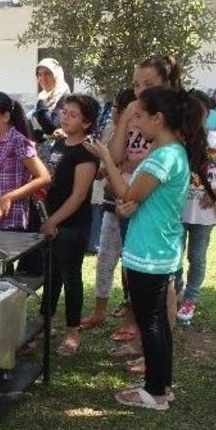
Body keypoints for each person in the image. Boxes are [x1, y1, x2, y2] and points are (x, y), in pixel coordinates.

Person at [86, 86, 209, 411]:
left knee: (151, 322)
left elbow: (126, 193)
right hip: (159, 248)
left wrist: (106, 158)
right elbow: (140, 200)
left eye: (139, 115)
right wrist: (131, 204)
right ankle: (161, 385)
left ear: (159, 118)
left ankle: (155, 393)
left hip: (150, 252)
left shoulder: (164, 155)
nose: (135, 121)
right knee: (156, 322)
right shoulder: (173, 151)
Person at [105, 55, 181, 353]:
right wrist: (125, 118)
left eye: (148, 84)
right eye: (136, 84)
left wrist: (127, 163)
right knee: (134, 272)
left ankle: (158, 347)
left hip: (154, 207)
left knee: (164, 282)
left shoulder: (173, 116)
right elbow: (113, 155)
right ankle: (142, 339)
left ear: (166, 83)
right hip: (128, 200)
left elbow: (169, 159)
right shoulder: (136, 111)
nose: (140, 91)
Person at [38, 94, 100, 356]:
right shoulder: (60, 143)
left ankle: (73, 330)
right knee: (50, 274)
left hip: (72, 225)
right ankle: (45, 324)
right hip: (50, 219)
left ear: (86, 123)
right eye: (65, 112)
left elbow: (78, 196)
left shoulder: (86, 152)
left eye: (73, 114)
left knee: (70, 276)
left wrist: (54, 220)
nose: (65, 116)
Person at [174, 89, 216, 323]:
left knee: (197, 257)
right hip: (177, 211)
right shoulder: (177, 141)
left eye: (201, 111)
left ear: (207, 113)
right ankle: (176, 291)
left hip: (205, 213)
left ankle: (190, 299)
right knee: (174, 255)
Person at [80, 89, 137, 330]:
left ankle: (132, 320)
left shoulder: (144, 133)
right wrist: (104, 169)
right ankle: (99, 311)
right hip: (110, 203)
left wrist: (116, 163)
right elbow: (111, 162)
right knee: (104, 259)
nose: (112, 111)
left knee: (132, 264)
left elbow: (132, 162)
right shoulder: (110, 131)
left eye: (115, 108)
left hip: (135, 205)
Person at [0, 91, 51, 230]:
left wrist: (9, 197)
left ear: (5, 116)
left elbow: (44, 177)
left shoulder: (17, 140)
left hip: (13, 222)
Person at [31, 58, 71, 141]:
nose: (43, 78)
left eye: (47, 74)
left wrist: (41, 103)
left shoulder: (64, 97)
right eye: (39, 74)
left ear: (56, 75)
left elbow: (51, 128)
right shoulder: (42, 95)